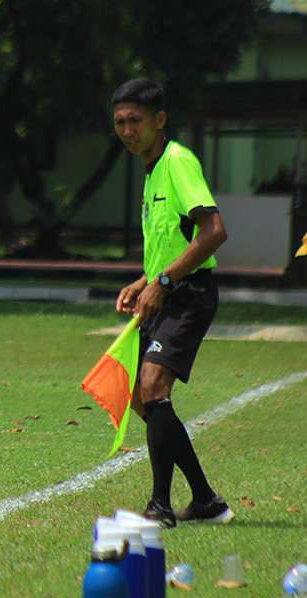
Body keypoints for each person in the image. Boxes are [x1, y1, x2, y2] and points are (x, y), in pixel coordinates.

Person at [111, 78, 234, 528]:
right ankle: (205, 500)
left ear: (159, 120)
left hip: (189, 295)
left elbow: (214, 232)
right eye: (120, 122)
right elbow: (174, 240)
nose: (127, 130)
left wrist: (161, 280)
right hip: (165, 293)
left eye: (136, 121)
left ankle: (159, 508)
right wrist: (144, 279)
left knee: (152, 386)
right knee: (142, 400)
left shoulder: (177, 162)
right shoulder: (151, 170)